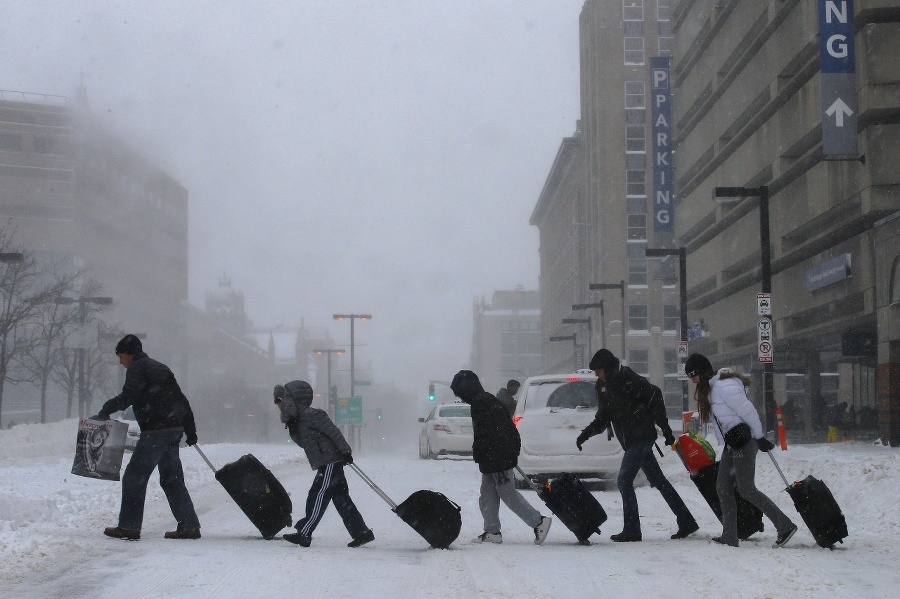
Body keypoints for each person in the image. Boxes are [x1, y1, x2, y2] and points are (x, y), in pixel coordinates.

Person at [576, 349, 698, 542]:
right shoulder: (606, 386)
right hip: (633, 439)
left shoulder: (627, 379)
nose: (596, 374)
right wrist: (585, 434)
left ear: (607, 368)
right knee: (659, 481)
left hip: (641, 437)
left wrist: (665, 429)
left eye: (598, 370)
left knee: (624, 481)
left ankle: (632, 529)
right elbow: (603, 417)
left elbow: (654, 396)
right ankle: (686, 520)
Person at [684, 353, 798, 548]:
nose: (693, 380)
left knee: (746, 488)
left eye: (693, 375)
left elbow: (748, 411)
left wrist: (759, 437)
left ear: (702, 372)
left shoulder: (723, 387)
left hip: (744, 441)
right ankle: (730, 536)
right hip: (733, 442)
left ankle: (785, 526)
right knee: (722, 487)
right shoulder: (712, 389)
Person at [96, 334, 201, 541]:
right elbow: (181, 399)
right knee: (172, 480)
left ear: (129, 354)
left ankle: (129, 527)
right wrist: (189, 429)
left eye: (121, 356)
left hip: (156, 432)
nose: (120, 361)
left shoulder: (138, 367)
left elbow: (129, 396)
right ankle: (189, 525)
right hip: (172, 430)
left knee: (134, 477)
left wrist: (106, 409)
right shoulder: (161, 368)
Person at [450, 370, 552, 545]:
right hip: (495, 455)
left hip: (498, 455)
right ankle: (492, 531)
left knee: (507, 493)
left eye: (460, 394)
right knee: (487, 494)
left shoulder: (481, 403)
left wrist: (482, 452)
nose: (461, 399)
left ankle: (539, 522)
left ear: (466, 390)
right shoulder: (485, 400)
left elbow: (484, 433)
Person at [275, 380, 374, 548]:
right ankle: (361, 532)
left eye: (283, 401)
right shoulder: (299, 421)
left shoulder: (313, 415)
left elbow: (334, 432)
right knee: (341, 498)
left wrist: (345, 451)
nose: (281, 406)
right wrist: (293, 428)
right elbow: (305, 443)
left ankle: (305, 533)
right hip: (325, 462)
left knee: (317, 495)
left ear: (294, 399)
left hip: (330, 461)